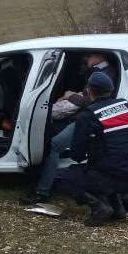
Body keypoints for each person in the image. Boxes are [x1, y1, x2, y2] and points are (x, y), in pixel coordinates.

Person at [54, 71, 128, 227]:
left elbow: (77, 155)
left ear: (89, 90)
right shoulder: (127, 107)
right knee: (102, 170)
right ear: (111, 90)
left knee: (61, 176)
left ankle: (99, 207)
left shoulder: (87, 116)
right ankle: (118, 208)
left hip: (110, 175)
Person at [21, 53, 113, 206]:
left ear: (101, 56)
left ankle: (42, 191)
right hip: (90, 116)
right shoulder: (104, 72)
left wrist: (70, 96)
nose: (85, 58)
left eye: (90, 56)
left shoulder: (104, 74)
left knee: (55, 145)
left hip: (89, 118)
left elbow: (89, 100)